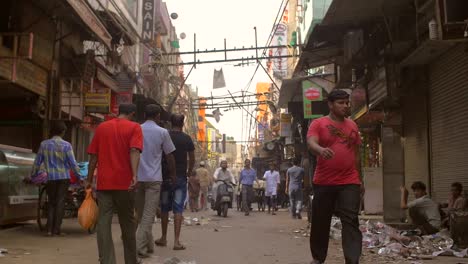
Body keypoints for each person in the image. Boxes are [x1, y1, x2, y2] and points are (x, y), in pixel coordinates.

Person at [306, 89, 363, 264]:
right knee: (320, 221)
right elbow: (311, 142)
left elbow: (357, 154)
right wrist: (321, 150)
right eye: (341, 103)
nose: (345, 106)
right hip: (324, 181)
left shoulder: (352, 125)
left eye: (347, 102)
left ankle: (352, 260)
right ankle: (318, 258)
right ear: (330, 104)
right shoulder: (318, 123)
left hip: (349, 181)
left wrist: (361, 180)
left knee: (351, 220)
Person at [86, 103, 143, 264]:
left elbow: (93, 158)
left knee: (103, 223)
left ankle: (107, 260)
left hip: (104, 184)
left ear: (119, 112)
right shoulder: (134, 127)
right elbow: (134, 151)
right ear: (132, 113)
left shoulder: (102, 127)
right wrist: (134, 175)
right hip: (125, 184)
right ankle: (130, 261)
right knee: (127, 224)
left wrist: (89, 180)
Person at [135, 104, 176, 258]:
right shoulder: (162, 132)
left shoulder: (137, 129)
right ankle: (138, 247)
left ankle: (149, 245)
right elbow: (169, 156)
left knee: (141, 214)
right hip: (153, 179)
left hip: (137, 178)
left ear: (144, 114)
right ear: (158, 116)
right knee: (148, 215)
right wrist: (173, 174)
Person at [30, 121, 82, 237]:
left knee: (51, 202)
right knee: (60, 203)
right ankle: (57, 230)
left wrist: (33, 175)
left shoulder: (44, 144)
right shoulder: (67, 145)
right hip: (64, 178)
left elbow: (37, 162)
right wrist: (80, 177)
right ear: (63, 132)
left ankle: (49, 230)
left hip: (51, 178)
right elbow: (73, 164)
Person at [155, 114, 195, 251]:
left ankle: (163, 237)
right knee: (178, 208)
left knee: (165, 207)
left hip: (165, 177)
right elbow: (192, 158)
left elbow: (159, 154)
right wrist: (189, 172)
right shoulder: (187, 139)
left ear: (170, 123)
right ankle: (176, 242)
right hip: (180, 178)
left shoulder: (165, 136)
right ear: (183, 124)